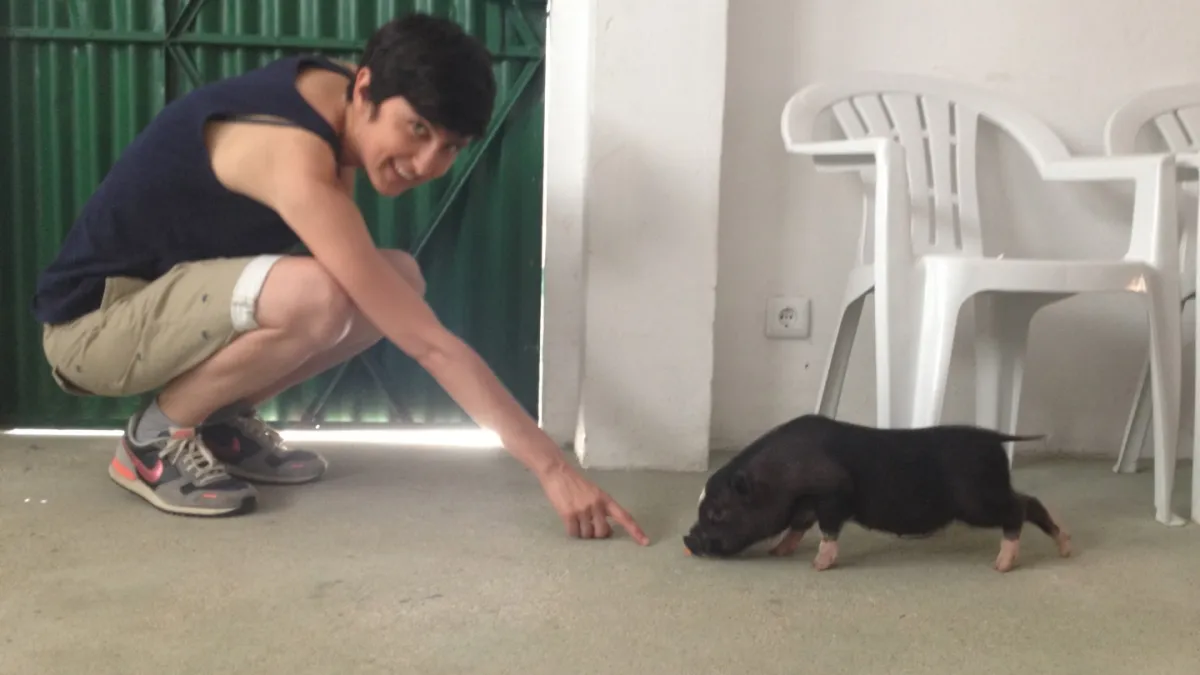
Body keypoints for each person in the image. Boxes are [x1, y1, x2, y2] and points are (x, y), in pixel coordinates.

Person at [31, 13, 649, 545]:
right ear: (366, 89)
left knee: (398, 280)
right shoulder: (292, 152)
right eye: (417, 129)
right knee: (325, 296)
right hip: (94, 328)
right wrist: (552, 469)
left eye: (450, 146)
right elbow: (428, 345)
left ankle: (216, 421)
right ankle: (153, 440)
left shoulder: (336, 99)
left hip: (164, 308)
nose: (427, 164)